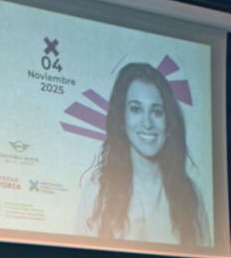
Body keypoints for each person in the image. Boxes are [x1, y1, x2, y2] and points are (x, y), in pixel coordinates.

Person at [75, 62, 211, 247]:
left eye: (157, 112)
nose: (147, 123)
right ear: (121, 120)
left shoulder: (191, 196)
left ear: (168, 123)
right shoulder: (96, 191)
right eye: (136, 109)